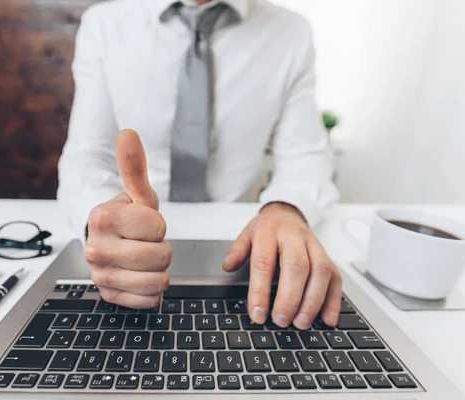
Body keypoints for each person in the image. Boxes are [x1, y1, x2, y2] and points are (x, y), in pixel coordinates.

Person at [58, 0, 341, 330]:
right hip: (131, 241)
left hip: (243, 247)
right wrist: (100, 223)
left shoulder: (290, 31)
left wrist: (286, 210)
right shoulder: (104, 23)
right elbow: (87, 155)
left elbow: (305, 154)